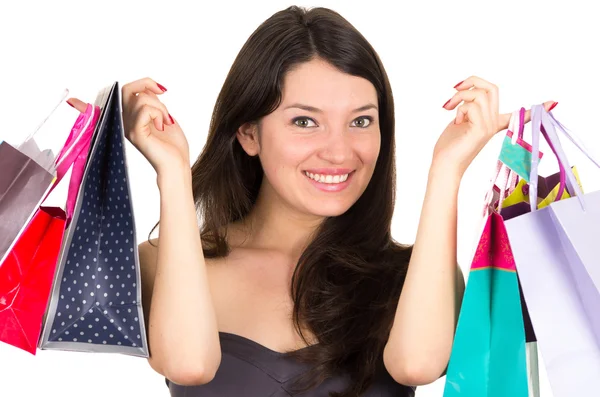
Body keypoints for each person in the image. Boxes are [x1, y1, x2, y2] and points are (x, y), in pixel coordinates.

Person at [66, 5, 555, 397]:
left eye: (361, 121)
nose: (340, 151)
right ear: (248, 132)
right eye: (305, 121)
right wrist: (171, 171)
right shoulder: (162, 263)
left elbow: (418, 364)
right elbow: (189, 365)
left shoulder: (411, 274)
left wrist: (448, 169)